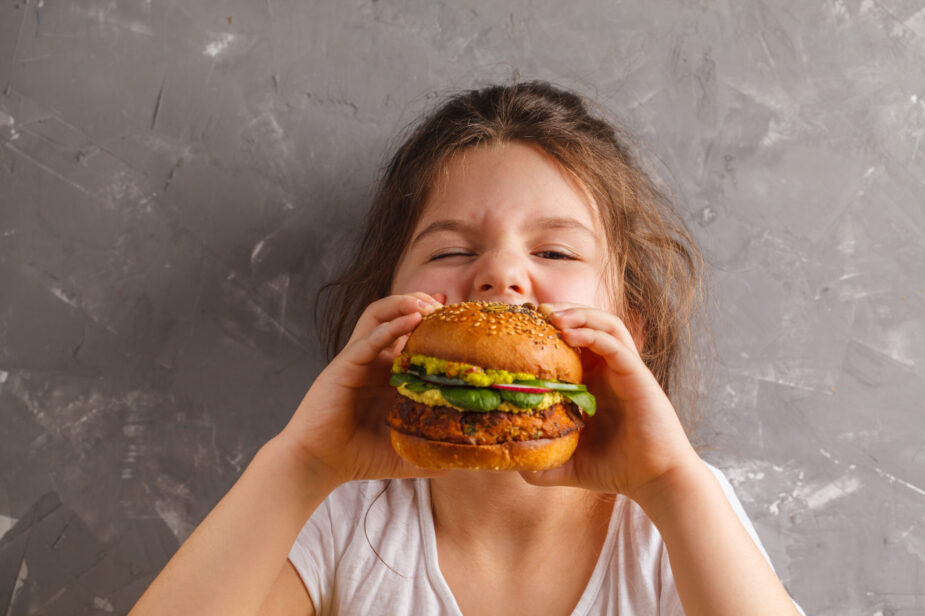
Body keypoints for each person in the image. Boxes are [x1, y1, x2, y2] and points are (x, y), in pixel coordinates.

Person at [129, 81, 802, 615]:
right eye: (451, 250)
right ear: (386, 310)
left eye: (555, 250)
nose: (499, 274)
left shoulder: (675, 515)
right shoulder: (340, 514)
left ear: (629, 327)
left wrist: (669, 483)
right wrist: (301, 463)